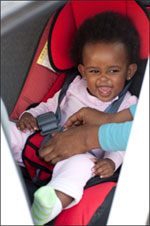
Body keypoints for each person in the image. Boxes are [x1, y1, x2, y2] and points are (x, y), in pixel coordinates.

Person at [10, 12, 140, 225]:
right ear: (83, 71)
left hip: (82, 156)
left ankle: (49, 204)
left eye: (114, 70)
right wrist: (29, 116)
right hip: (46, 142)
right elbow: (49, 106)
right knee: (9, 130)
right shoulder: (74, 86)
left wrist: (112, 161)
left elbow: (125, 141)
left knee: (82, 167)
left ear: (129, 71)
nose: (104, 78)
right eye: (95, 71)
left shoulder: (129, 105)